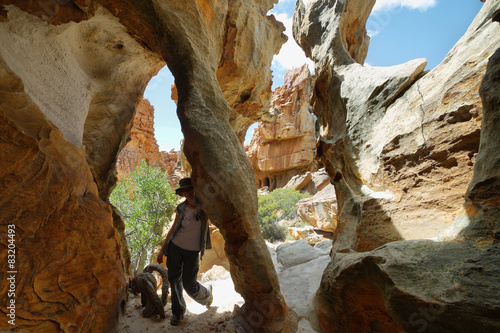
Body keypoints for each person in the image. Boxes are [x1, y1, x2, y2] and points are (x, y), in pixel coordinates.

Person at [156, 177, 213, 326]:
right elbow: (173, 228)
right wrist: (162, 249)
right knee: (174, 281)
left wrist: (197, 203)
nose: (187, 192)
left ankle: (207, 295)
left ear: (195, 189)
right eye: (184, 190)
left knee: (189, 284)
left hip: (192, 251)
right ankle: (178, 313)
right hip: (175, 247)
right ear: (181, 193)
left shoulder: (204, 207)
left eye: (189, 189)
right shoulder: (181, 208)